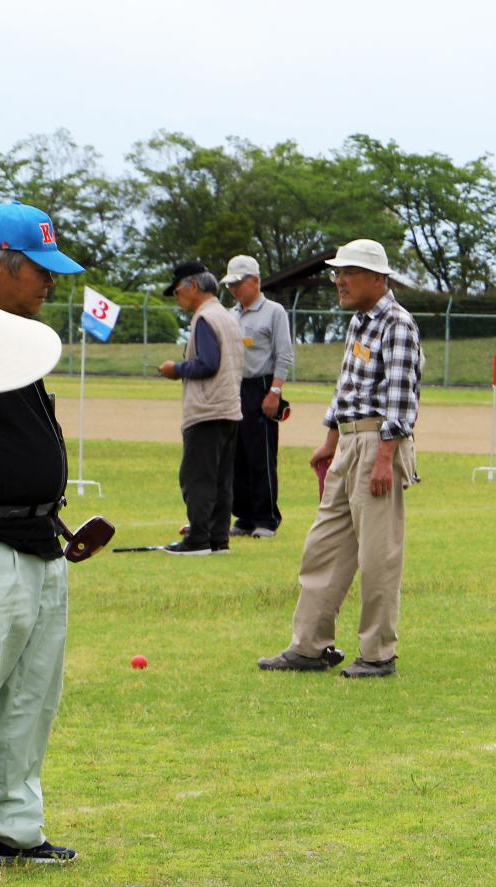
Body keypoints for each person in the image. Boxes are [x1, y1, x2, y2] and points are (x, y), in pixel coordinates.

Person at [0, 201, 86, 871]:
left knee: (30, 695)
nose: (50, 282)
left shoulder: (18, 338)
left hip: (40, 538)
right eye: (38, 270)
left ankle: (14, 824)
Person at [258, 239, 420, 679]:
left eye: (348, 271)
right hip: (349, 444)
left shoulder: (397, 324)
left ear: (376, 277)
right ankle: (309, 646)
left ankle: (378, 654)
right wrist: (330, 441)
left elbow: (401, 398)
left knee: (378, 556)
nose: (339, 280)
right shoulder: (358, 323)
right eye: (337, 272)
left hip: (377, 444)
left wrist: (386, 456)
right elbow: (345, 387)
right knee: (322, 547)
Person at [156, 261, 243, 555]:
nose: (178, 298)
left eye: (178, 291)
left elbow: (207, 363)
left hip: (207, 409)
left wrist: (176, 369)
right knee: (221, 479)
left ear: (193, 286)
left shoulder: (204, 318)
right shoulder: (228, 317)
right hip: (230, 409)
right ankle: (219, 539)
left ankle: (198, 539)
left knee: (196, 477)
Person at [221, 254, 293, 539]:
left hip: (261, 386)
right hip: (234, 387)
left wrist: (274, 391)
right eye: (230, 285)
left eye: (239, 283)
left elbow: (283, 354)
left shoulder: (274, 312)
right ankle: (244, 516)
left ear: (255, 281)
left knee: (260, 455)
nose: (234, 290)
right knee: (236, 455)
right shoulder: (230, 315)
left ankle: (266, 517)